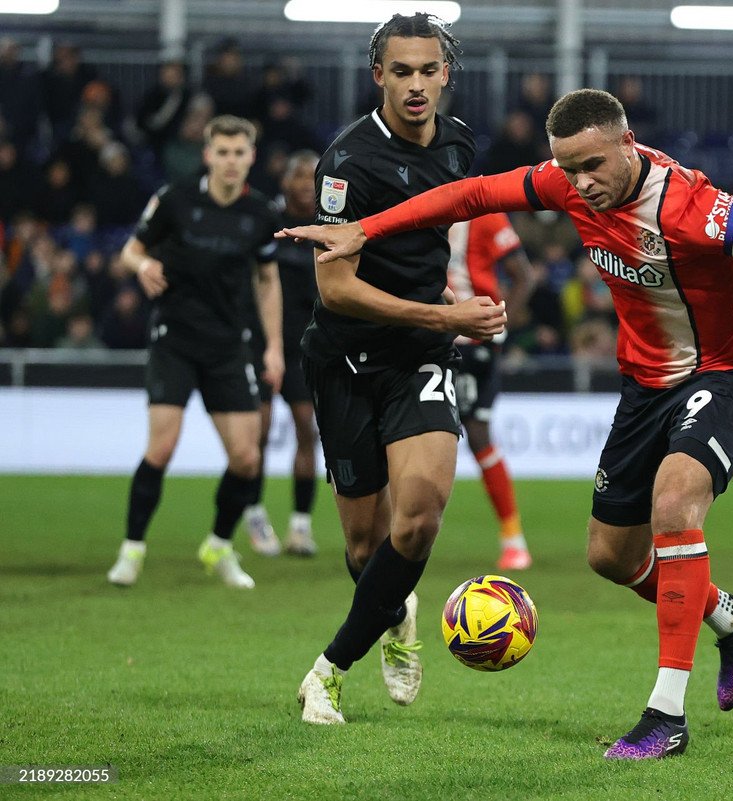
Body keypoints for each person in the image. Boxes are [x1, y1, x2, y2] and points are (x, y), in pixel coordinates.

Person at [279, 88, 733, 758]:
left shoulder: (689, 205)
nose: (583, 183)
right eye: (570, 168)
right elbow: (472, 193)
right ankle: (730, 616)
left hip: (723, 375)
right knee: (609, 556)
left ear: (629, 143)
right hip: (644, 387)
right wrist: (363, 230)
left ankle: (666, 715)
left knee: (674, 503)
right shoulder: (565, 182)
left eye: (595, 165)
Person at [289, 13, 506, 726]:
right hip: (345, 361)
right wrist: (448, 314)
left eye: (428, 70)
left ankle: (327, 670)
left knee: (418, 519)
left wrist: (440, 299)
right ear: (377, 74)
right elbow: (336, 287)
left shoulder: (458, 143)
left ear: (446, 73)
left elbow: (430, 240)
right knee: (364, 543)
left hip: (417, 358)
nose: (416, 85)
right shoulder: (347, 163)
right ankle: (396, 614)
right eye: (401, 71)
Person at [105, 114, 284, 589]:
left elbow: (268, 282)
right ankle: (132, 551)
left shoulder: (262, 213)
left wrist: (275, 349)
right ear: (208, 155)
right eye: (221, 152)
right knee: (161, 448)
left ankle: (219, 546)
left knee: (247, 459)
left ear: (251, 158)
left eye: (239, 153)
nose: (230, 161)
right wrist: (143, 264)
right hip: (176, 338)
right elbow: (129, 250)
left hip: (230, 345)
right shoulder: (174, 199)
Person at [239, 149, 323, 557]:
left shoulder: (330, 225)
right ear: (285, 182)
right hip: (264, 343)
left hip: (308, 345)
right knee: (257, 431)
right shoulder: (267, 221)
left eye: (313, 176)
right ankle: (254, 514)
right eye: (299, 176)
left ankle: (300, 527)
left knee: (307, 429)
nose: (307, 183)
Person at [446, 212, 534, 570]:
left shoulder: (484, 215)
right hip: (423, 333)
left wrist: (499, 326)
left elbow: (524, 277)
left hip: (471, 345)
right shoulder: (413, 201)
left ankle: (514, 540)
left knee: (478, 435)